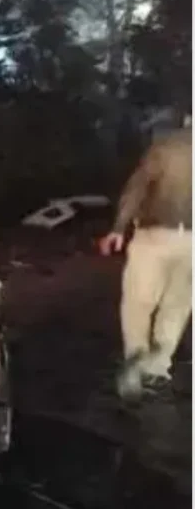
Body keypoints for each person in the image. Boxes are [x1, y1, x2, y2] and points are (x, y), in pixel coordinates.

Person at [98, 123, 192, 399]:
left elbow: (136, 188)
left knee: (138, 303)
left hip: (154, 236)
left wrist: (118, 229)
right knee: (176, 307)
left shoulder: (166, 147)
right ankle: (158, 368)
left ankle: (136, 359)